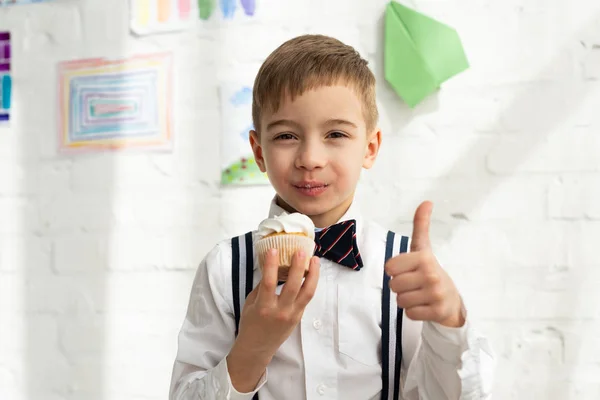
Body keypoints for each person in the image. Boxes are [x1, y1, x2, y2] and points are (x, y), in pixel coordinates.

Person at [169, 34, 495, 400]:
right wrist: (251, 350)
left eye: (336, 133)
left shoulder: (407, 270)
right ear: (259, 152)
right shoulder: (224, 269)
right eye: (287, 135)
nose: (310, 157)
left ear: (369, 148)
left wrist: (449, 322)